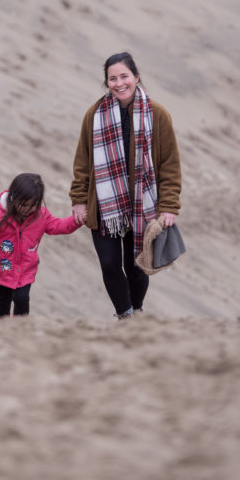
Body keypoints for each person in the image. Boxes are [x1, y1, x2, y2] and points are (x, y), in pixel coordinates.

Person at [70, 52, 182, 319]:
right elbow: (82, 160)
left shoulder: (158, 114)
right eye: (112, 78)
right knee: (109, 264)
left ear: (136, 77)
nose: (119, 83)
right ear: (106, 82)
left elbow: (170, 164)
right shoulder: (94, 115)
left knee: (136, 266)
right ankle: (126, 317)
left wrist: (169, 206)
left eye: (124, 76)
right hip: (104, 206)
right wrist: (78, 199)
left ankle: (137, 311)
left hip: (142, 204)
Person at [0, 172, 80, 319]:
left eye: (33, 205)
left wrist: (77, 220)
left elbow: (58, 226)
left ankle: (21, 328)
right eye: (24, 204)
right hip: (2, 267)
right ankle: (1, 328)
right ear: (13, 197)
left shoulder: (41, 215)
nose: (28, 209)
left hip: (25, 269)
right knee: (3, 300)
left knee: (21, 299)